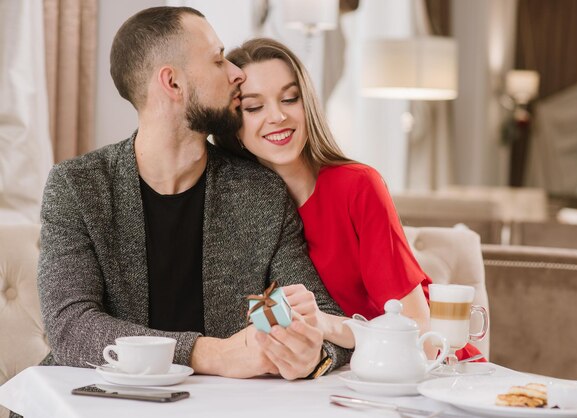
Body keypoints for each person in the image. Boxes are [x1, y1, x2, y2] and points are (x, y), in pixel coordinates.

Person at [37, 7, 349, 381]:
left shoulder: (261, 191)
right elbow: (71, 327)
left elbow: (325, 318)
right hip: (92, 399)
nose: (237, 73)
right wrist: (211, 354)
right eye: (219, 60)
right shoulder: (78, 185)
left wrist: (314, 354)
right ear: (172, 83)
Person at [214, 38, 484, 362]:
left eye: (289, 99)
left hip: (430, 367)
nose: (277, 116)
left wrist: (325, 324)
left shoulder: (357, 187)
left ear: (308, 104)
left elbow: (417, 332)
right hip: (337, 378)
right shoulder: (240, 207)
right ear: (234, 126)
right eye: (254, 107)